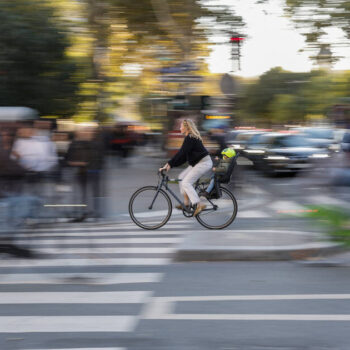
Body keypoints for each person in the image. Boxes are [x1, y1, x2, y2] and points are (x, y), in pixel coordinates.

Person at [159, 119, 212, 216]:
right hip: (197, 163)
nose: (180, 128)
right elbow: (183, 157)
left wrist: (169, 164)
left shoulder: (190, 138)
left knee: (186, 182)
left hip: (203, 163)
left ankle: (199, 204)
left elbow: (181, 154)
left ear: (186, 127)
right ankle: (187, 203)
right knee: (182, 176)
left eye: (181, 126)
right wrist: (169, 165)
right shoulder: (190, 138)